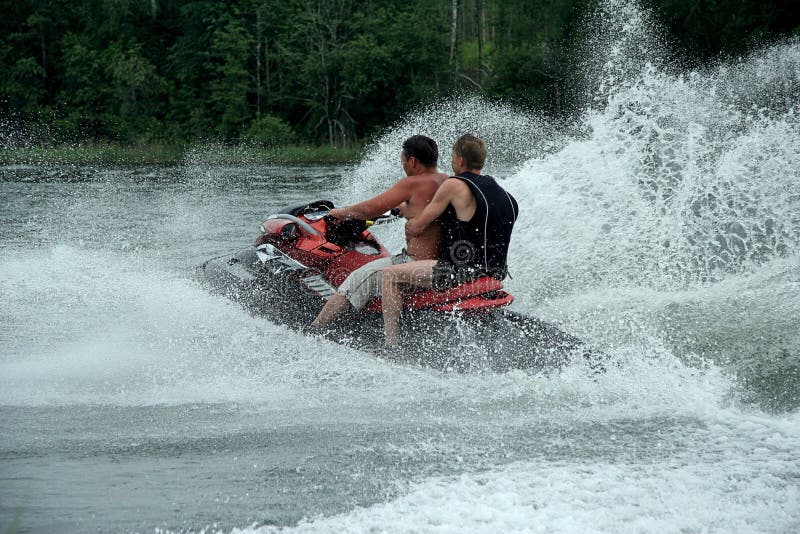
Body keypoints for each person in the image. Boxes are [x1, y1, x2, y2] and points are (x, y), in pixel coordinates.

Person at [380, 134, 518, 347]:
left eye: (453, 157)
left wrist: (408, 222)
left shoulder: (454, 185)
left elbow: (417, 226)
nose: (451, 162)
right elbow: (466, 218)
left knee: (389, 275)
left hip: (456, 272)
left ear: (460, 160)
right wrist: (402, 209)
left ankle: (390, 345)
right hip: (494, 272)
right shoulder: (505, 195)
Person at [311, 135, 449, 326]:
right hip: (440, 264)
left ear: (412, 161)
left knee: (355, 279)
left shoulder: (412, 183)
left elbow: (368, 209)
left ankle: (316, 329)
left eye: (403, 162)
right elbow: (429, 209)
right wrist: (403, 208)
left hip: (415, 263)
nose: (403, 166)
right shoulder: (447, 182)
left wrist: (339, 212)